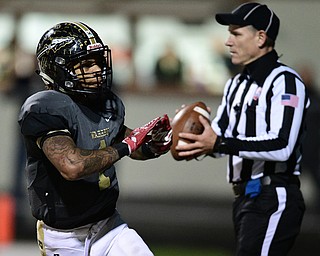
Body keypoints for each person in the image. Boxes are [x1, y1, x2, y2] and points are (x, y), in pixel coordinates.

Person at [18, 21, 172, 256]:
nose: (96, 70)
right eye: (86, 64)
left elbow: (132, 144)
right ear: (59, 69)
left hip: (109, 225)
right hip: (63, 237)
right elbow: (72, 166)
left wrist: (153, 145)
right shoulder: (43, 107)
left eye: (98, 62)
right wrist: (128, 145)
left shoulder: (106, 103)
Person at [175, 3, 308, 255]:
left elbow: (282, 146)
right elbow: (219, 140)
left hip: (273, 195)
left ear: (261, 37)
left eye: (236, 33)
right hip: (245, 198)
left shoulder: (286, 81)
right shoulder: (236, 83)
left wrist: (218, 143)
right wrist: (193, 140)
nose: (227, 41)